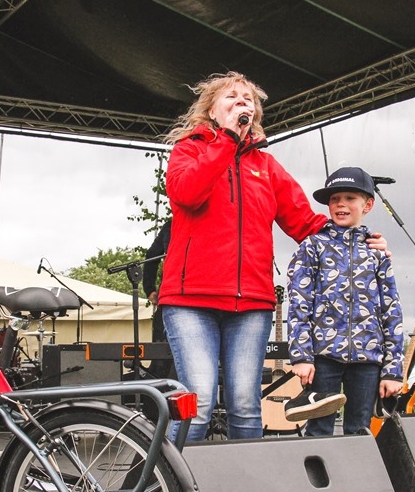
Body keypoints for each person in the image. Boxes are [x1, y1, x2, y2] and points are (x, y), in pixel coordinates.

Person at [158, 72, 387, 442]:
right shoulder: (190, 150)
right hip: (191, 301)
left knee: (246, 406)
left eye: (248, 99)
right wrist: (227, 142)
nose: (241, 103)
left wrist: (361, 242)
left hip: (251, 303)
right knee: (197, 406)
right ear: (213, 112)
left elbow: (306, 223)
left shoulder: (266, 166)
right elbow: (187, 194)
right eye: (232, 98)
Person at [283, 166, 404, 436]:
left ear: (368, 205)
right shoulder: (313, 246)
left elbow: (391, 311)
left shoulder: (377, 252)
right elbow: (299, 304)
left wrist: (392, 370)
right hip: (323, 357)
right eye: (335, 199)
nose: (341, 204)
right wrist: (302, 356)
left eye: (350, 198)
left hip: (368, 360)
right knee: (319, 429)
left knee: (360, 430)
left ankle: (359, 479)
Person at [142, 219, 174, 378]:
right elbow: (151, 257)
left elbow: (151, 256)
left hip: (172, 300)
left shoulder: (171, 224)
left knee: (162, 355)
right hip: (172, 298)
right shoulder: (171, 225)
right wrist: (149, 288)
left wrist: (149, 288)